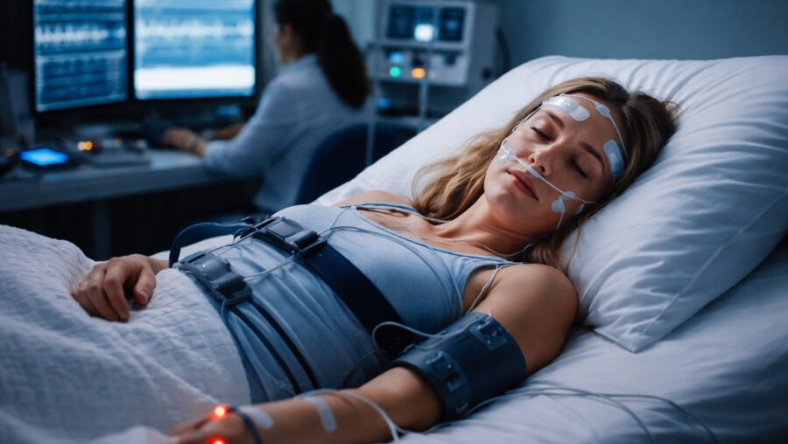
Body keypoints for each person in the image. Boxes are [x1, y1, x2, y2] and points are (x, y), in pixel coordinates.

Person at [68, 77, 677, 444]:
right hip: (118, 306)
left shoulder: (528, 286)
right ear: (511, 134)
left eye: (581, 166)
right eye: (542, 133)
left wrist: (267, 430)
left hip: (194, 365)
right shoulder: (375, 202)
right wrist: (137, 259)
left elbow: (404, 399)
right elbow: (219, 250)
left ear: (591, 206)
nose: (545, 160)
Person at [162, 0, 370, 214]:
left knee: (185, 227)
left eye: (274, 32)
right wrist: (252, 131)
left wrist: (193, 143)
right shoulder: (353, 82)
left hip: (285, 224)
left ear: (287, 33)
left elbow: (237, 162)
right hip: (332, 220)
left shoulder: (288, 89)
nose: (272, 40)